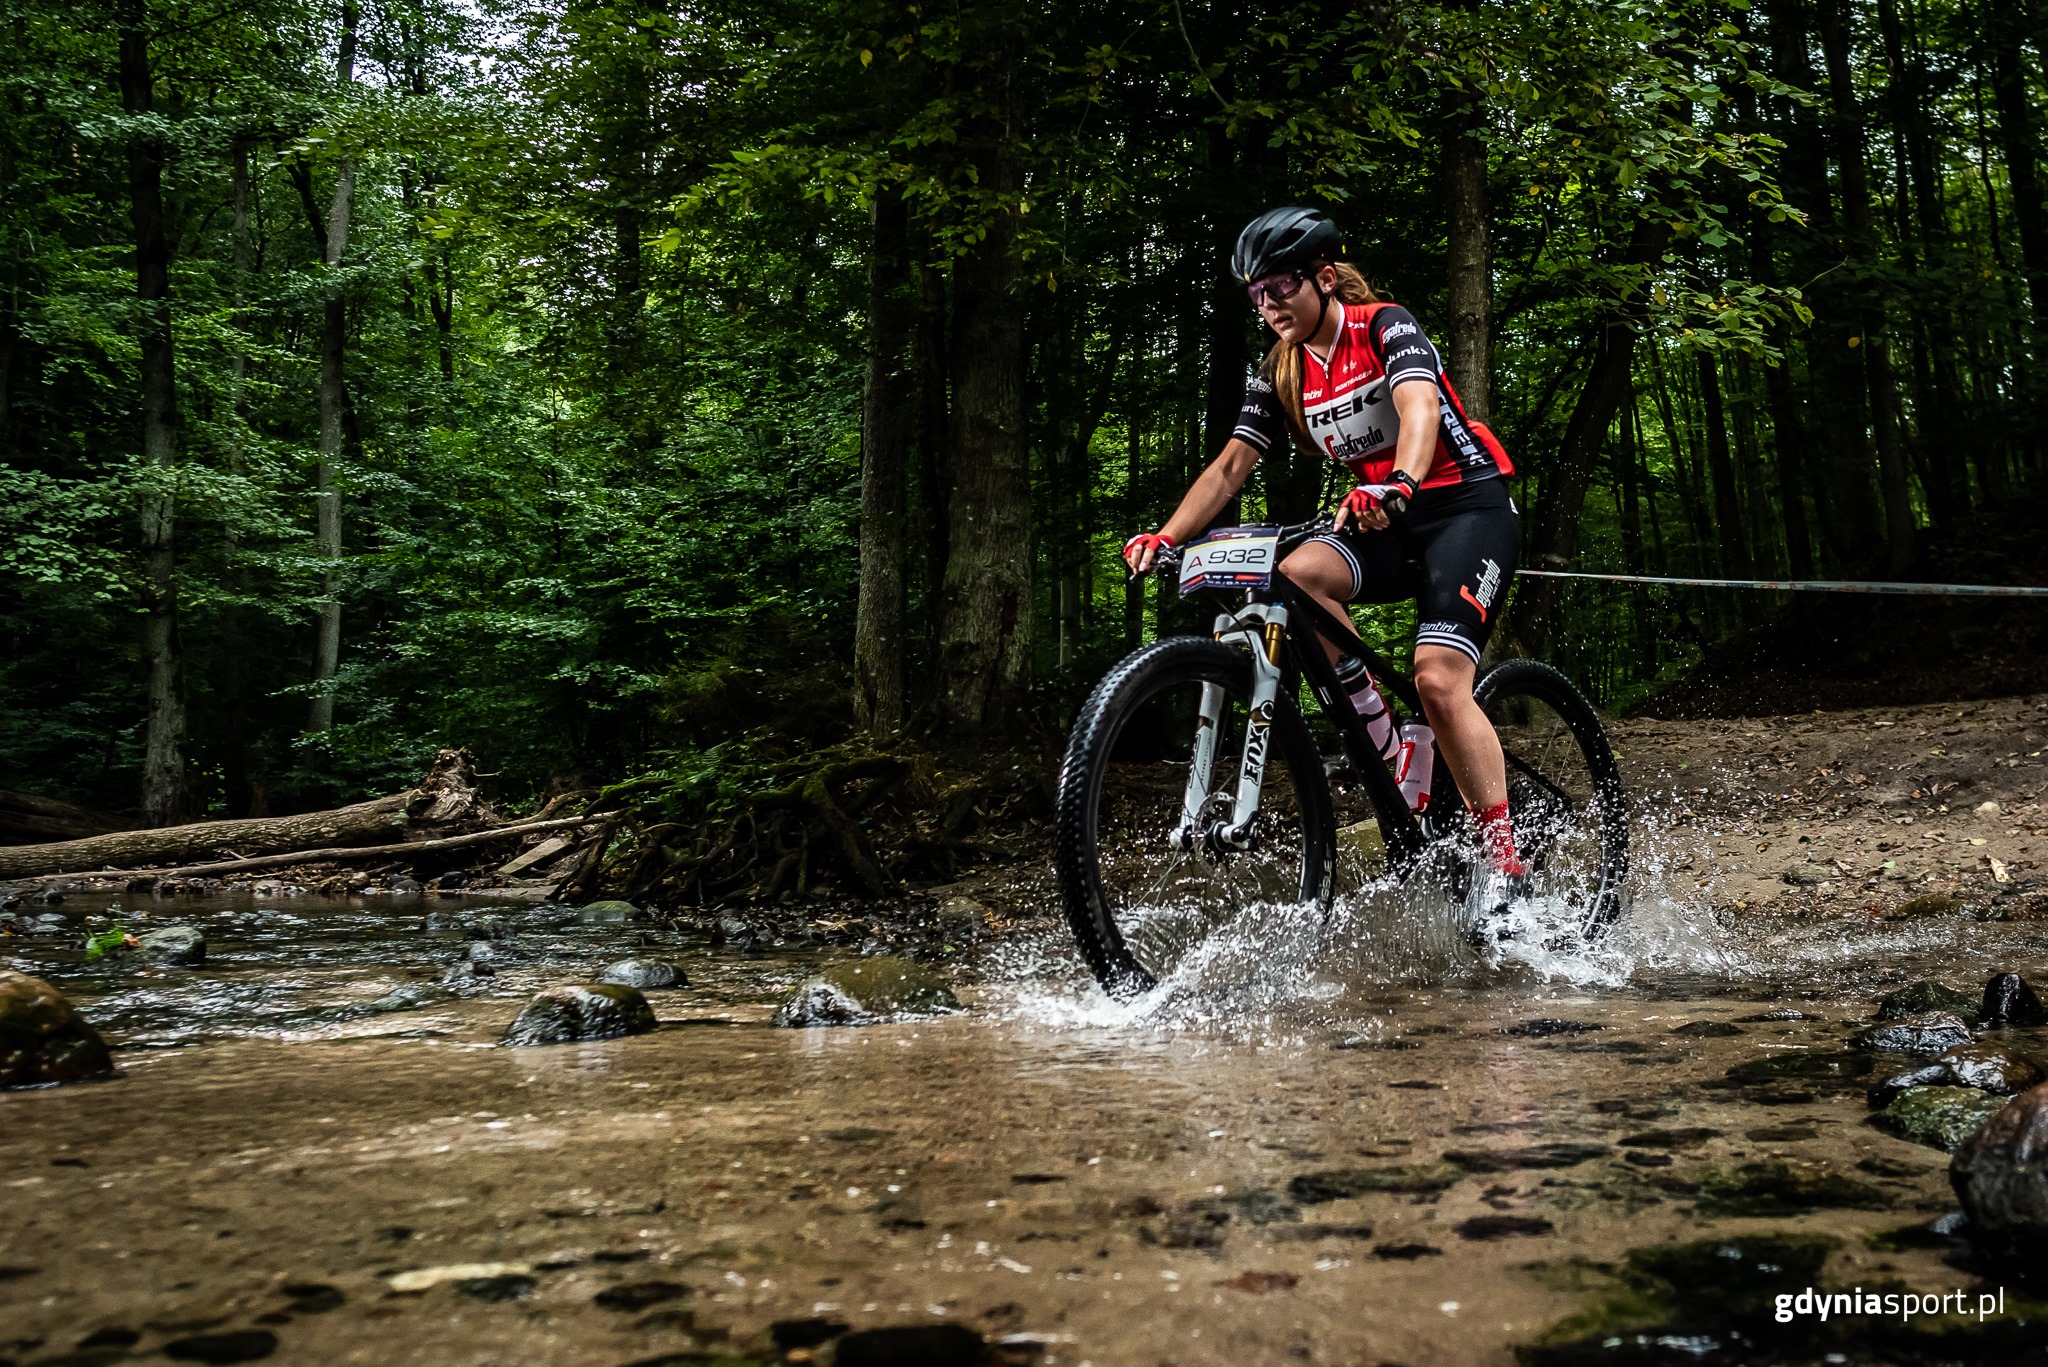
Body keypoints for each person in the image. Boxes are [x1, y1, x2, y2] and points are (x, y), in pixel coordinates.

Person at [1122, 206, 1526, 935]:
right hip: (1383, 516)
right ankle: (1389, 741)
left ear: (1324, 277)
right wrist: (1167, 533)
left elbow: (1418, 404)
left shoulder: (1383, 323)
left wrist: (1401, 479)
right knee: (1298, 572)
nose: (1269, 303)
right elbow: (1230, 467)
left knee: (1437, 679)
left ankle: (1504, 864)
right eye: (1256, 294)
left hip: (1465, 509)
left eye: (1280, 286)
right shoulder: (1280, 372)